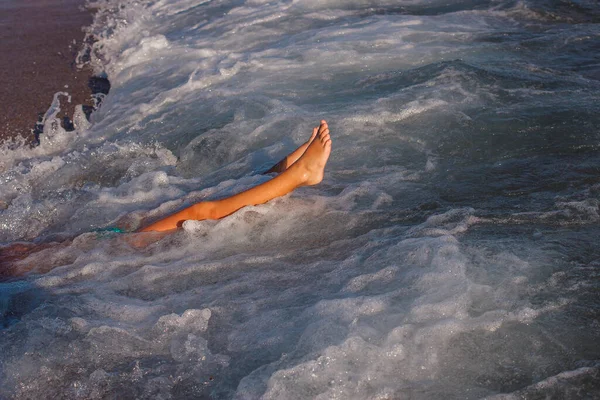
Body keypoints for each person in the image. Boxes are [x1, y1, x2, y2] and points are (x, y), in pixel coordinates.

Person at [138, 120, 332, 232]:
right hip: (126, 245)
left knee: (206, 197)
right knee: (200, 211)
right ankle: (301, 173)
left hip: (120, 240)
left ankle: (282, 170)